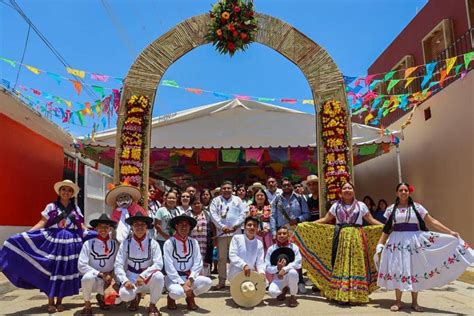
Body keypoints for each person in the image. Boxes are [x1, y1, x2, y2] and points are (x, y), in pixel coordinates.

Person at [376, 183, 474, 312]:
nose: (403, 192)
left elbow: (432, 221)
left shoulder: (417, 207)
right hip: (396, 243)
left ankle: (415, 303)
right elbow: (387, 229)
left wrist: (450, 232)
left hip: (414, 242)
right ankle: (398, 301)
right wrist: (380, 244)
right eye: (401, 190)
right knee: (398, 269)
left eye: (406, 190)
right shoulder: (391, 209)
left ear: (409, 192)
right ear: (397, 193)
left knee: (415, 269)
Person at [0, 180, 91, 313]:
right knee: (52, 270)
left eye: (69, 190)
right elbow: (42, 222)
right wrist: (26, 234)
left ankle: (60, 301)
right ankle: (50, 302)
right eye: (64, 190)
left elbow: (81, 227)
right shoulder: (52, 207)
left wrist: (95, 232)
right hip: (54, 241)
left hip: (71, 244)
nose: (66, 192)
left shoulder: (76, 209)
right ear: (59, 192)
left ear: (72, 194)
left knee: (64, 271)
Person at [314, 182, 382, 304]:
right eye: (344, 188)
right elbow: (325, 219)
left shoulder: (361, 205)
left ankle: (356, 295)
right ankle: (342, 294)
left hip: (356, 237)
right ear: (341, 192)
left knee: (356, 264)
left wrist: (385, 227)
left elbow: (371, 220)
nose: (347, 190)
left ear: (354, 191)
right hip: (341, 238)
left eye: (350, 188)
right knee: (341, 264)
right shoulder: (336, 206)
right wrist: (310, 224)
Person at [114, 212, 164, 315]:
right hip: (131, 276)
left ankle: (152, 305)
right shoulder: (126, 243)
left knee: (159, 276)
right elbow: (118, 264)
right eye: (136, 224)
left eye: (142, 225)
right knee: (124, 295)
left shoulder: (153, 243)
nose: (139, 227)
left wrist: (143, 275)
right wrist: (124, 280)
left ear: (147, 227)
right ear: (132, 227)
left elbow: (158, 264)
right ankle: (134, 298)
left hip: (147, 277)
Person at [164, 215, 213, 310]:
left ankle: (190, 297)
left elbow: (198, 262)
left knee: (207, 282)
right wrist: (182, 284)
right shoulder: (169, 243)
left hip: (188, 277)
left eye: (186, 225)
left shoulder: (193, 242)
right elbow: (168, 265)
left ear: (190, 227)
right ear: (176, 226)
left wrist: (190, 279)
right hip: (173, 278)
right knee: (178, 292)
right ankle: (170, 298)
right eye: (181, 225)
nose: (184, 227)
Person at [270, 178, 309, 293]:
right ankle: (283, 283)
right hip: (282, 232)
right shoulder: (277, 200)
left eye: (288, 185)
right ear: (281, 187)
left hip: (296, 231)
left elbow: (306, 214)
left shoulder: (300, 198)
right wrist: (273, 232)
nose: (286, 187)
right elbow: (272, 216)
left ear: (292, 186)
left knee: (297, 257)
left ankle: (300, 281)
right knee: (282, 256)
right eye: (284, 185)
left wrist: (298, 219)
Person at [210, 180, 247, 289]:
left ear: (232, 190)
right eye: (224, 188)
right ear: (221, 189)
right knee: (221, 258)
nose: (226, 190)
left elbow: (243, 214)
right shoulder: (215, 201)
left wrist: (235, 226)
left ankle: (236, 280)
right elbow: (213, 215)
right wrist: (223, 227)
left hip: (235, 233)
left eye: (228, 188)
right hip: (222, 233)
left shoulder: (238, 200)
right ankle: (222, 281)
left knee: (236, 257)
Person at [79, 213, 119, 315]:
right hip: (95, 278)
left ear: (110, 229)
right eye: (100, 227)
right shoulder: (88, 243)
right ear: (96, 228)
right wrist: (100, 274)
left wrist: (112, 276)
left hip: (109, 278)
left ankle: (102, 297)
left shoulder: (115, 244)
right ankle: (87, 305)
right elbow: (81, 265)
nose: (103, 230)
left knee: (119, 300)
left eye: (106, 227)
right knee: (86, 278)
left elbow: (118, 262)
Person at [265, 226, 302, 307]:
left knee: (293, 273)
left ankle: (293, 296)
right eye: (279, 233)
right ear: (276, 235)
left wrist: (285, 269)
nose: (282, 235)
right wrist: (277, 268)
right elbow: (267, 267)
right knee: (272, 293)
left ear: (288, 235)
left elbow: (298, 263)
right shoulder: (271, 249)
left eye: (284, 233)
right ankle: (284, 289)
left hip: (291, 275)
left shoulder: (294, 247)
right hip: (278, 277)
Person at [228, 217, 266, 282]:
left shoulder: (259, 243)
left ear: (257, 228)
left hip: (250, 273)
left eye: (255, 225)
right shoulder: (237, 238)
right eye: (249, 225)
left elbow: (260, 261)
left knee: (265, 284)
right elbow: (232, 255)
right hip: (236, 272)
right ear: (244, 227)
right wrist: (244, 265)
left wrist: (262, 272)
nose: (252, 227)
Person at [186, 197, 213, 276]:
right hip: (191, 241)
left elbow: (212, 227)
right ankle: (191, 276)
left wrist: (214, 240)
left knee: (204, 260)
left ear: (202, 204)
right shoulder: (187, 214)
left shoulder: (207, 214)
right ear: (191, 205)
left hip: (204, 242)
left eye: (198, 203)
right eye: (194, 204)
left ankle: (203, 277)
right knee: (192, 259)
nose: (196, 205)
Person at [248, 189, 272, 253]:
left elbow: (273, 220)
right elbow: (248, 221)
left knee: (269, 250)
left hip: (268, 232)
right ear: (254, 198)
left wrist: (268, 229)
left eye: (261, 195)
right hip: (255, 232)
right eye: (257, 195)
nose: (259, 197)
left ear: (265, 197)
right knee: (257, 250)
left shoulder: (270, 207)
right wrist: (255, 229)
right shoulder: (250, 207)